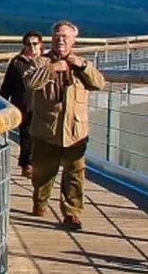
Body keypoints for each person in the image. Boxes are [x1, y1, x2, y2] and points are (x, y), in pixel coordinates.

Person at [22, 20, 106, 230]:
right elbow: (30, 83)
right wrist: (53, 69)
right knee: (43, 174)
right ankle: (40, 202)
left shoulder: (82, 63)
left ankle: (72, 213)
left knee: (75, 174)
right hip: (46, 130)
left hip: (76, 131)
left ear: (73, 40)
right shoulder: (41, 62)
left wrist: (82, 66)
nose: (61, 39)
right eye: (57, 35)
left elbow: (99, 83)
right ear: (52, 39)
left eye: (65, 36)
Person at [0, 31, 44, 178]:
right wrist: (1, 103)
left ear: (41, 44)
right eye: (28, 44)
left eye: (35, 44)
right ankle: (27, 164)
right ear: (24, 46)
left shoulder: (47, 61)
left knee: (41, 136)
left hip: (44, 105)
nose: (32, 47)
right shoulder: (17, 62)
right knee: (26, 135)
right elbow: (7, 85)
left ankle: (38, 163)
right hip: (23, 104)